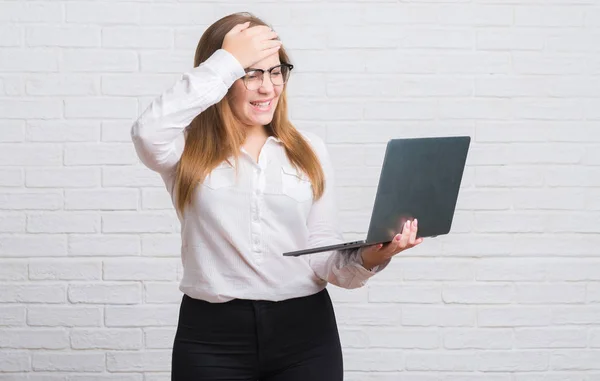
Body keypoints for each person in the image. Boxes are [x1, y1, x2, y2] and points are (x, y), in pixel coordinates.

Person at [130, 11, 423, 381]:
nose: (267, 87)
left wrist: (371, 256)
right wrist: (226, 62)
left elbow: (322, 255)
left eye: (275, 71)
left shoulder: (309, 150)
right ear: (222, 76)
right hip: (210, 338)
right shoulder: (184, 150)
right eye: (250, 73)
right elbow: (146, 132)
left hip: (305, 336)